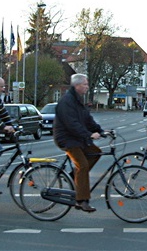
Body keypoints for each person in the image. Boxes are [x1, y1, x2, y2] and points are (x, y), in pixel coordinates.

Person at [54, 73, 105, 212]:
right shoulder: (67, 101)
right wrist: (89, 134)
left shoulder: (78, 100)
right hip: (67, 139)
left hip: (77, 138)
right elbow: (72, 124)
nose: (87, 87)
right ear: (77, 85)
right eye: (85, 84)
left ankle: (74, 177)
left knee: (95, 153)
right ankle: (81, 200)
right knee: (82, 165)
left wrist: (100, 131)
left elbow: (87, 119)